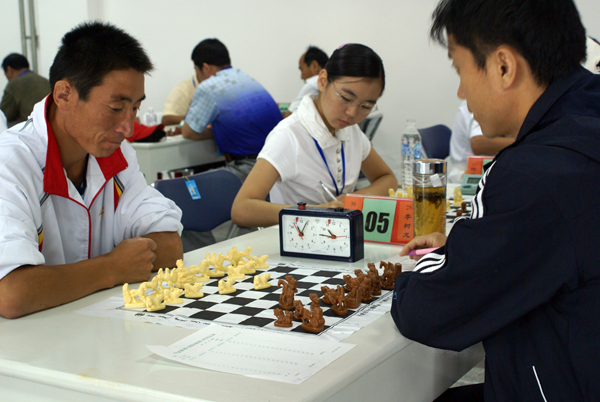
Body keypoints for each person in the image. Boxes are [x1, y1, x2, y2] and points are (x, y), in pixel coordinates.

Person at [392, 0, 600, 401]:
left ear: (503, 66)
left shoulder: (532, 175)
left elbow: (426, 310)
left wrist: (450, 256)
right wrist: (483, 246)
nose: (460, 90)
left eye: (459, 69)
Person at [0, 22, 184, 320]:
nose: (128, 128)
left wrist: (65, 280)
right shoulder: (10, 164)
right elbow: (13, 293)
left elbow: (169, 246)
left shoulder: (115, 153)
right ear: (64, 95)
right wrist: (112, 267)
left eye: (135, 108)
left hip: (93, 324)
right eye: (116, 108)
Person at [231, 44, 397, 228]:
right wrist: (314, 212)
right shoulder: (289, 135)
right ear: (323, 81)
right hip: (297, 237)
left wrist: (353, 199)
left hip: (339, 235)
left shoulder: (351, 131)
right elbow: (242, 209)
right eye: (345, 98)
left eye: (366, 106)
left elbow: (388, 179)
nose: (352, 113)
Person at [181, 39, 282, 182]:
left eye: (196, 70)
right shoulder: (247, 79)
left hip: (253, 166)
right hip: (280, 162)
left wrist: (215, 132)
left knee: (189, 184)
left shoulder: (208, 86)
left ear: (205, 68)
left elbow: (188, 132)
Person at [447, 100, 515, 183]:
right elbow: (478, 143)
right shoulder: (481, 101)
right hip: (466, 175)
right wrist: (522, 141)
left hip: (490, 172)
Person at [1, 53, 51, 127]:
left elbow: (4, 115)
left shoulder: (14, 84)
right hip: (50, 128)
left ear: (9, 69)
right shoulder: (46, 81)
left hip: (30, 130)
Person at [284, 46, 329, 117]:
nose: (301, 77)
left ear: (314, 66)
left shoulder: (313, 83)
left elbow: (288, 116)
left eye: (302, 70)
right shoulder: (333, 82)